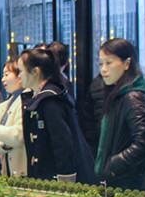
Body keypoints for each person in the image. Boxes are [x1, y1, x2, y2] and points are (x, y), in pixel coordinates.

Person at [18, 47, 95, 183]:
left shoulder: (51, 100)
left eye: (21, 71)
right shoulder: (43, 96)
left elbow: (62, 144)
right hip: (46, 175)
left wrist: (65, 180)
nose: (19, 76)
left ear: (35, 72)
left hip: (54, 177)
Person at [94, 39, 145, 189]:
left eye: (109, 63)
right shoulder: (117, 92)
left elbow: (142, 143)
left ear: (127, 64)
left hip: (127, 181)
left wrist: (112, 165)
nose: (103, 69)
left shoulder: (133, 96)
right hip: (118, 178)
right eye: (100, 63)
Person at [0, 56, 28, 177]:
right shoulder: (6, 103)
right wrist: (5, 145)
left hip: (22, 169)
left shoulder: (27, 100)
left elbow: (18, 135)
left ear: (20, 76)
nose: (3, 79)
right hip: (7, 169)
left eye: (6, 75)